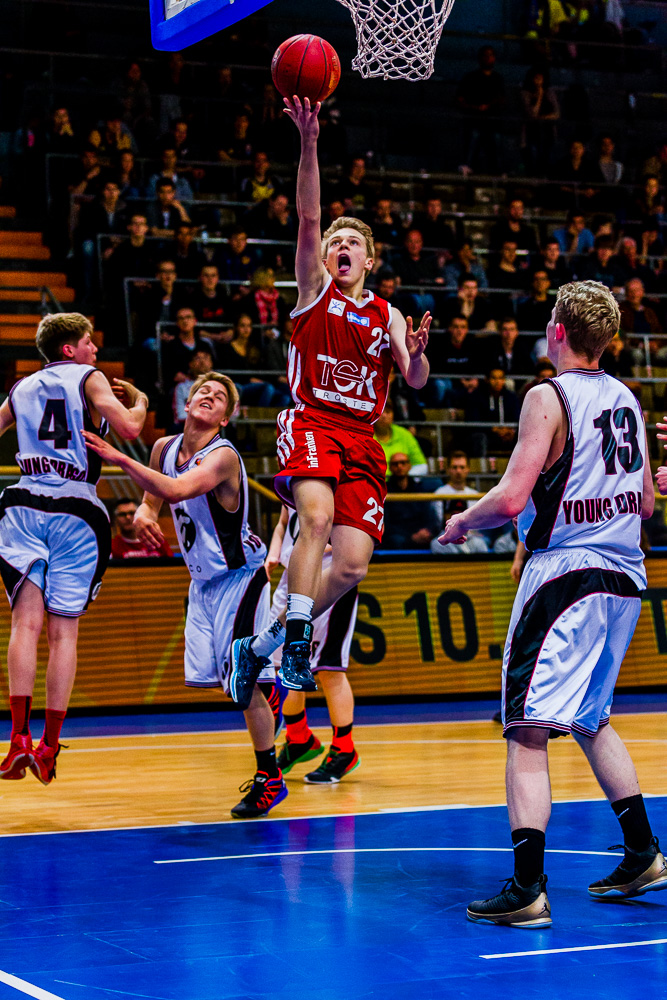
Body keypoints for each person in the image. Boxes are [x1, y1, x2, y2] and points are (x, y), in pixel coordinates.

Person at [439, 280, 663, 927]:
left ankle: (527, 886)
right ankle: (643, 851)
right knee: (590, 717)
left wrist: (462, 522)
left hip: (566, 573)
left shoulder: (548, 394)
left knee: (526, 729)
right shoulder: (626, 397)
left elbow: (510, 499)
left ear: (557, 332)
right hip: (624, 575)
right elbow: (646, 504)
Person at [231, 95, 430, 698]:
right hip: (313, 419)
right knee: (312, 517)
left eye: (353, 242)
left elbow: (414, 380)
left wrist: (416, 354)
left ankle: (259, 645)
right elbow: (309, 215)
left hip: (362, 441)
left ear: (370, 258)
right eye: (335, 240)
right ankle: (295, 643)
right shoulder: (313, 289)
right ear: (325, 256)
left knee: (350, 566)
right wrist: (310, 142)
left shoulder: (389, 312)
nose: (340, 245)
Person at [83, 372, 287, 819]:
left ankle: (269, 777)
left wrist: (117, 455)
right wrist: (141, 510)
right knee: (220, 680)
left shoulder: (223, 457)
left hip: (240, 577)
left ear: (226, 418)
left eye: (219, 397)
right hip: (201, 583)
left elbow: (174, 488)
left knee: (243, 682)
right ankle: (271, 699)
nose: (209, 397)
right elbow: (156, 498)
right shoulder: (164, 449)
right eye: (203, 391)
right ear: (187, 402)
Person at [0, 313, 148, 784]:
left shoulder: (20, 388)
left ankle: (17, 738)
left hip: (21, 502)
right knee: (64, 634)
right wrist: (141, 402)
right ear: (69, 350)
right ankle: (48, 747)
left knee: (24, 623)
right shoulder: (90, 378)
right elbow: (127, 429)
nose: (95, 351)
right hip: (76, 507)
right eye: (89, 343)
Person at [266, 507, 360, 782]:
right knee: (281, 666)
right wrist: (273, 555)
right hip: (292, 577)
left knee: (329, 668)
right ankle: (298, 737)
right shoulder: (291, 475)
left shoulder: (337, 477)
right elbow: (283, 522)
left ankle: (344, 749)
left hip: (330, 575)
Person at [431, 451, 488, 554]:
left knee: (481, 543)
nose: (458, 471)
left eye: (462, 467)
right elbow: (439, 522)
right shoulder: (439, 493)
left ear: (468, 469)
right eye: (454, 467)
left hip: (472, 537)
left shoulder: (475, 495)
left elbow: (479, 524)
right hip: (447, 536)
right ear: (448, 469)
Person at [382, 454, 440, 549]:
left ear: (409, 466)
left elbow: (430, 516)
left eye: (403, 463)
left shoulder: (420, 489)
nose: (399, 466)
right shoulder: (384, 491)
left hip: (421, 534)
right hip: (397, 537)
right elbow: (386, 524)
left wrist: (427, 531)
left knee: (437, 542)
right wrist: (411, 537)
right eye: (395, 464)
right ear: (390, 467)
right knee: (395, 541)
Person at [374, 401, 428, 477]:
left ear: (393, 415)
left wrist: (402, 477)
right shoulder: (366, 435)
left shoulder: (404, 434)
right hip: (376, 481)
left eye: (388, 412)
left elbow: (421, 465)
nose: (384, 416)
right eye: (380, 412)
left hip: (402, 482)